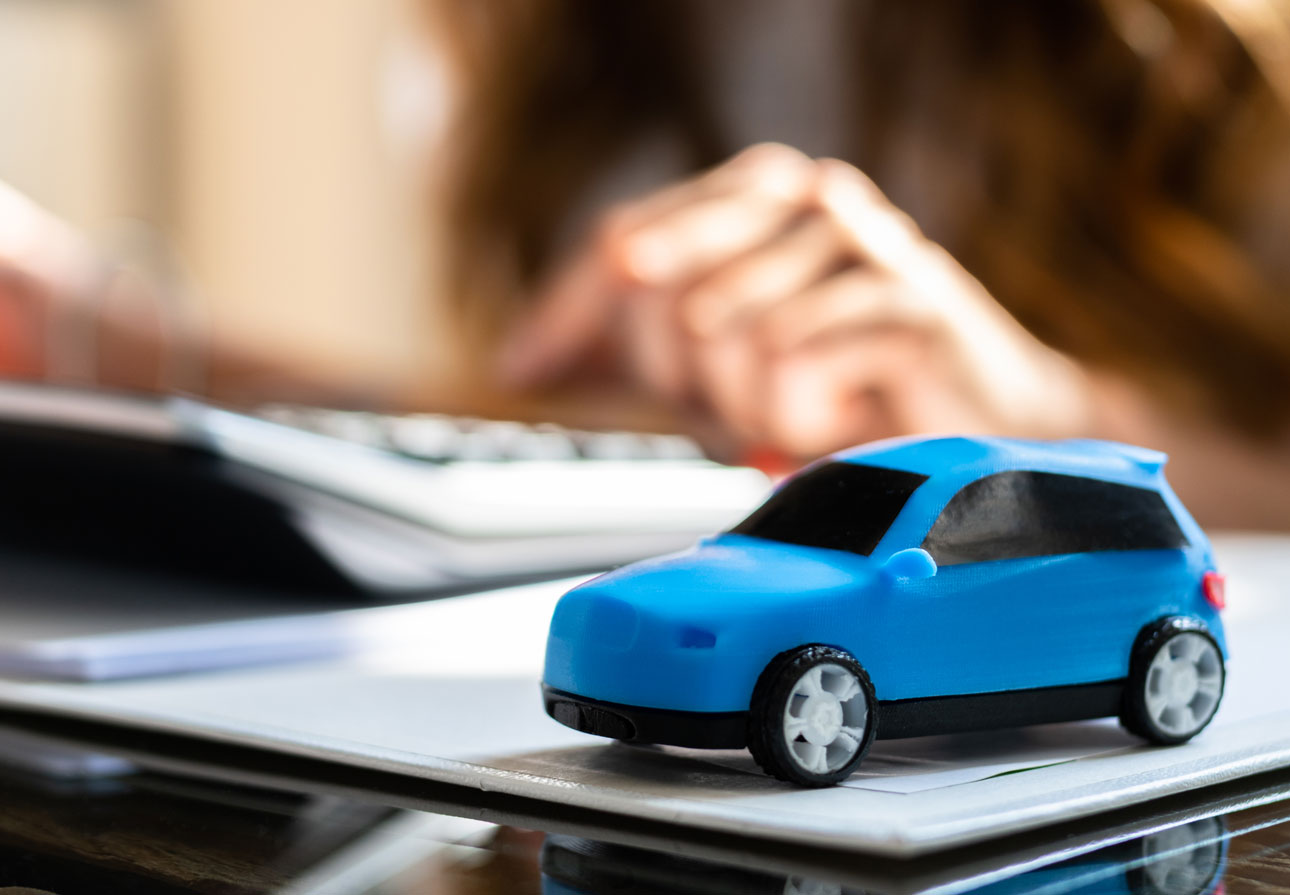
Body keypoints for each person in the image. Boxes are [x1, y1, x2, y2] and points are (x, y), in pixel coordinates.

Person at [3, 0, 1290, 528]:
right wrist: (104, 336)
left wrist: (1057, 424)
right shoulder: (551, 55)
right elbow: (574, 424)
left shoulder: (1203, 67)